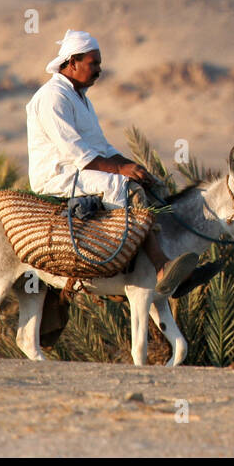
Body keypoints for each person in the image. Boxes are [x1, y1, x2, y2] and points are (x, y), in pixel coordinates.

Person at [27, 29, 198, 296]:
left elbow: (102, 148)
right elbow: (75, 152)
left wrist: (134, 167)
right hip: (59, 175)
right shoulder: (52, 97)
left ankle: (176, 266)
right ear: (72, 62)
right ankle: (160, 266)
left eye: (99, 64)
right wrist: (121, 171)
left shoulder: (81, 98)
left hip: (82, 170)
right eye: (93, 64)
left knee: (156, 188)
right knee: (128, 190)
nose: (98, 70)